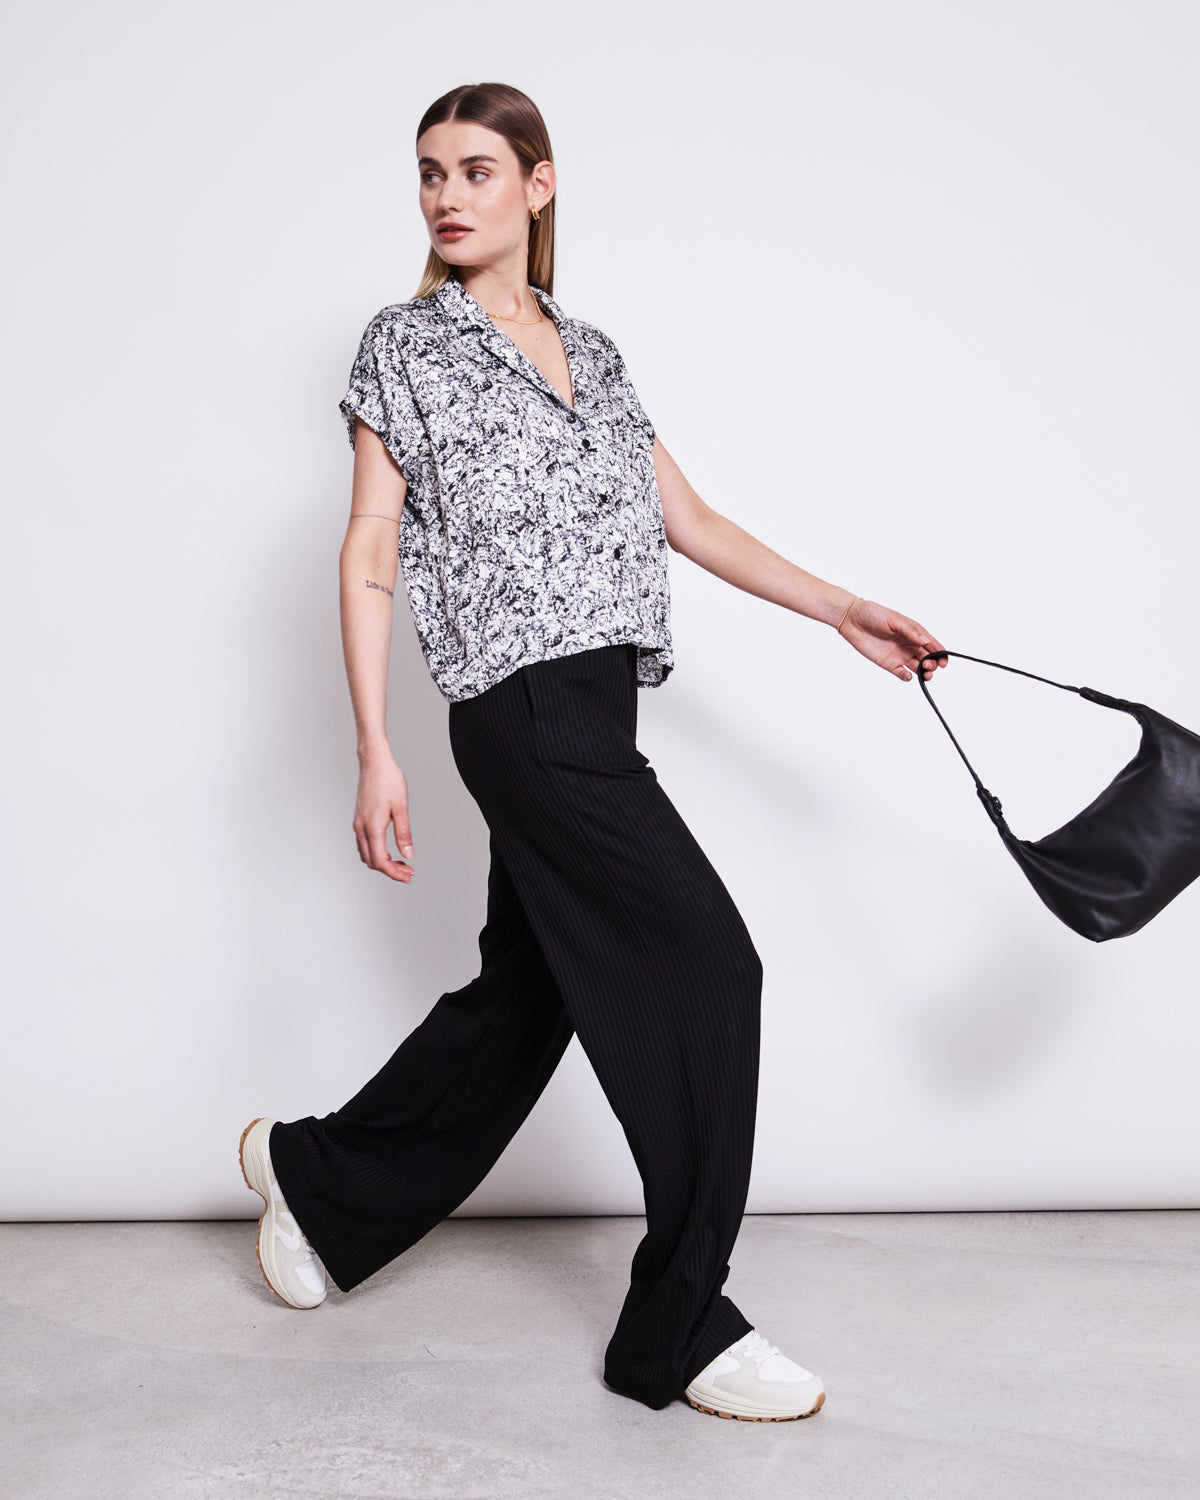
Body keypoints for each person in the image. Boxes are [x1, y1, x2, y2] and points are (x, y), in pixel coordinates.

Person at [238, 81, 947, 1423]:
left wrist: (843, 608)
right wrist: (374, 747)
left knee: (531, 992)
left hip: (601, 700)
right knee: (711, 967)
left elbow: (691, 519)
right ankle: (680, 1325)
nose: (449, 195)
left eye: (477, 169)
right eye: (430, 172)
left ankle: (318, 1182)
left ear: (538, 184)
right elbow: (371, 545)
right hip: (522, 713)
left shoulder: (596, 352)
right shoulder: (406, 346)